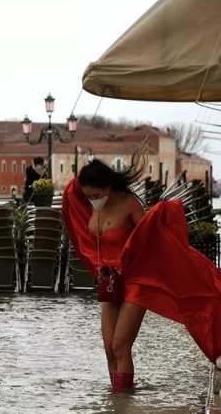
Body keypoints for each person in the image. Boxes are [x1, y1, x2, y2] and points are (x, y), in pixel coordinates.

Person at [62, 141, 221, 391]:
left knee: (120, 346)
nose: (91, 200)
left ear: (108, 188)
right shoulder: (89, 204)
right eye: (88, 196)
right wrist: (86, 170)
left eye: (95, 195)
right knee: (108, 348)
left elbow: (151, 236)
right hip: (109, 282)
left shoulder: (129, 203)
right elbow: (72, 191)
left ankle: (124, 401)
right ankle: (116, 402)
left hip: (136, 280)